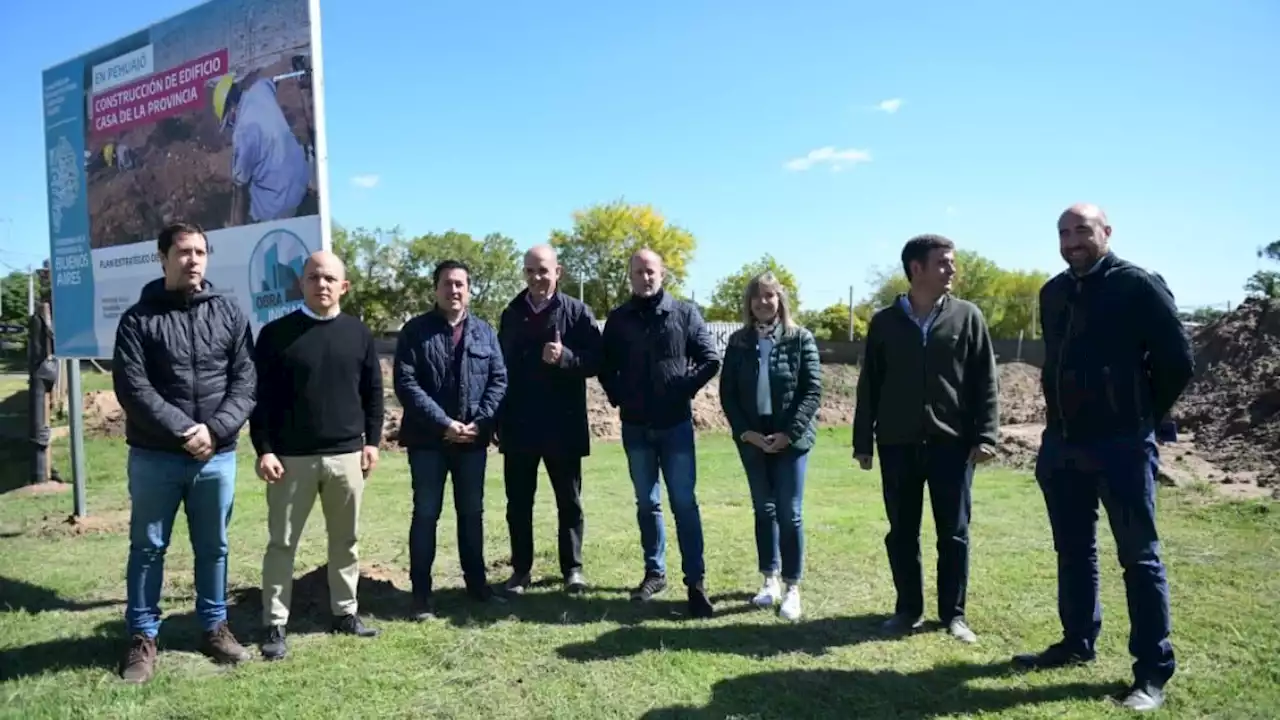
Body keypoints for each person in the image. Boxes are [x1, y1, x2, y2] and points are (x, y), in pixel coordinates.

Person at [1013, 203, 1194, 713]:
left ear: (1106, 232)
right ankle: (1076, 642)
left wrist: (1138, 414)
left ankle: (1152, 672)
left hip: (1122, 446)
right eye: (1064, 232)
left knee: (1139, 558)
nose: (1072, 240)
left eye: (1082, 230)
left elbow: (1178, 361)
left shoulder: (1138, 285)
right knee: (1074, 552)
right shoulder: (1054, 292)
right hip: (1065, 445)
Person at [111, 221, 257, 683]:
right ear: (162, 257)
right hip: (156, 456)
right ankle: (142, 637)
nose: (193, 260)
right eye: (183, 252)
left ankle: (214, 627)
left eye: (200, 252)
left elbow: (246, 381)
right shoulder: (138, 319)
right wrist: (183, 431)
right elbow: (133, 387)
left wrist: (214, 431)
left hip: (217, 456)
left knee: (214, 547)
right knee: (149, 548)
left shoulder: (230, 313)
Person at [852, 234, 999, 645]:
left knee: (953, 533)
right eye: (943, 263)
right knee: (901, 531)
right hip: (897, 444)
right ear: (916, 269)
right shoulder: (884, 322)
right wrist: (863, 440)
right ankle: (907, 610)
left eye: (951, 263)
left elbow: (986, 380)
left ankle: (953, 614)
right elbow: (870, 385)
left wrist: (986, 435)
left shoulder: (968, 317)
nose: (951, 269)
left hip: (952, 445)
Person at [250, 250, 385, 661]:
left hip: (347, 458)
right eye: (313, 277)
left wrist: (372, 442)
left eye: (329, 278)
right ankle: (274, 623)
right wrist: (265, 450)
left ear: (343, 286)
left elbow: (374, 394)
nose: (321, 284)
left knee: (346, 541)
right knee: (282, 543)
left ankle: (345, 613)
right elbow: (260, 401)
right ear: (301, 284)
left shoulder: (359, 334)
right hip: (291, 459)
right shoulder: (275, 335)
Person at [599, 249, 721, 618]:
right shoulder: (619, 320)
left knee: (684, 504)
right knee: (646, 504)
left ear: (662, 273)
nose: (645, 277)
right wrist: (618, 396)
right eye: (638, 272)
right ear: (630, 277)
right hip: (635, 428)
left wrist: (682, 388)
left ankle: (695, 583)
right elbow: (606, 365)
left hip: (676, 427)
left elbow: (710, 358)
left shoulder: (684, 314)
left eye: (650, 270)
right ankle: (655, 573)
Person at [394, 259, 508, 618]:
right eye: (447, 283)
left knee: (471, 514)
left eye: (460, 284)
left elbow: (498, 379)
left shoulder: (485, 333)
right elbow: (406, 384)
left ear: (469, 290)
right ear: (436, 289)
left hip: (472, 442)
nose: (454, 290)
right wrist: (443, 423)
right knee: (426, 514)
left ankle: (477, 586)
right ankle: (421, 594)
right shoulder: (415, 331)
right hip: (428, 441)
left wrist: (482, 420)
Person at [496, 245, 602, 596]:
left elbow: (598, 360)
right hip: (519, 425)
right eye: (530, 271)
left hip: (563, 424)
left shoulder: (577, 312)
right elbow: (500, 369)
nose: (536, 278)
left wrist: (566, 358)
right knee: (518, 503)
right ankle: (521, 571)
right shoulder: (511, 313)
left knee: (569, 501)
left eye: (543, 271)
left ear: (559, 271)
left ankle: (572, 569)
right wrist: (496, 418)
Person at [718, 272, 822, 621]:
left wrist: (788, 434)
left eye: (770, 296)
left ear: (781, 300)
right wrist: (746, 433)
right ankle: (770, 580)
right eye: (757, 297)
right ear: (749, 303)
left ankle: (793, 587)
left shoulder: (800, 338)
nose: (764, 303)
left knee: (789, 512)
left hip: (791, 439)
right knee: (764, 510)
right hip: (753, 439)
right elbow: (728, 394)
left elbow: (812, 392)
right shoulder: (738, 342)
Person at [212, 74, 311, 225]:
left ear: (232, 107)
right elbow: (274, 81)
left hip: (280, 206)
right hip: (303, 176)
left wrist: (235, 229)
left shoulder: (243, 132)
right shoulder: (261, 88)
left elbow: (240, 189)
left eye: (229, 122)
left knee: (250, 195)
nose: (231, 126)